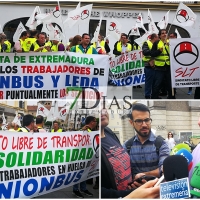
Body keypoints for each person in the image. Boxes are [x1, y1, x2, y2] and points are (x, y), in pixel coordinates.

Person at [101, 109, 160, 198]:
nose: (102, 111)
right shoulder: (88, 143)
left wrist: (136, 178)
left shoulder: (109, 132)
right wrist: (132, 195)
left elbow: (123, 167)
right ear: (131, 123)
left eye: (103, 106)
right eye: (139, 121)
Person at [123, 103, 170, 180]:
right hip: (134, 190)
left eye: (147, 120)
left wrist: (142, 176)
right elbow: (123, 171)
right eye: (139, 121)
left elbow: (164, 169)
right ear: (131, 123)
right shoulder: (127, 146)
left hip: (156, 190)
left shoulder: (161, 144)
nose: (144, 125)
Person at [72, 116, 96, 198]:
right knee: (78, 173)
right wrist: (82, 130)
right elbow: (75, 138)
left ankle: (83, 188)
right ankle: (75, 189)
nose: (96, 122)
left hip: (87, 156)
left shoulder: (92, 131)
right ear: (91, 122)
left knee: (85, 173)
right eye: (94, 121)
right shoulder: (84, 130)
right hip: (79, 156)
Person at [151, 29, 175, 99]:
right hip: (159, 67)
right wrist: (159, 51)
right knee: (157, 84)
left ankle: (171, 97)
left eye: (165, 33)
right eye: (162, 33)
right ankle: (154, 97)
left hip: (168, 66)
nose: (164, 34)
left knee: (170, 84)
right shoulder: (156, 43)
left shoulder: (170, 42)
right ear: (159, 36)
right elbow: (152, 54)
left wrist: (170, 46)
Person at [142, 33, 159, 99]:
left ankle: (154, 95)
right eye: (157, 37)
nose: (158, 39)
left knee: (155, 82)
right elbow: (145, 52)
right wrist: (154, 52)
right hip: (149, 64)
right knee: (149, 81)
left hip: (156, 64)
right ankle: (147, 95)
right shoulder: (146, 43)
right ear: (154, 38)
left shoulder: (158, 43)